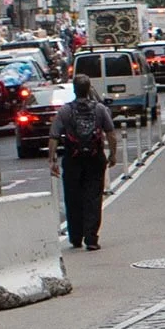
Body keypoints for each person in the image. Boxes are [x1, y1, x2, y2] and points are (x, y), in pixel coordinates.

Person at [50, 74, 119, 251]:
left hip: (73, 159)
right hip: (95, 159)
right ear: (89, 89)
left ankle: (75, 236)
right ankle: (91, 238)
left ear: (74, 89)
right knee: (93, 198)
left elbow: (54, 136)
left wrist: (53, 160)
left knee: (73, 198)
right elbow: (110, 133)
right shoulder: (100, 109)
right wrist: (112, 154)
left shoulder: (65, 111)